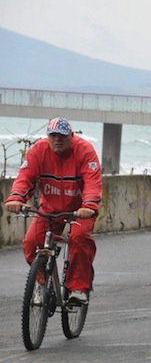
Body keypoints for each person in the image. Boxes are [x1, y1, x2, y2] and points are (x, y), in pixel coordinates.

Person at [4, 117, 102, 304]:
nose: (57, 139)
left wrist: (88, 206)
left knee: (79, 238)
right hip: (50, 208)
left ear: (71, 137)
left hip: (80, 208)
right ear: (48, 137)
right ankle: (41, 281)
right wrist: (16, 198)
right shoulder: (39, 151)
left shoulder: (84, 151)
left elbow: (92, 182)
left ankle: (78, 288)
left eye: (62, 136)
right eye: (53, 135)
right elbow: (25, 177)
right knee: (31, 242)